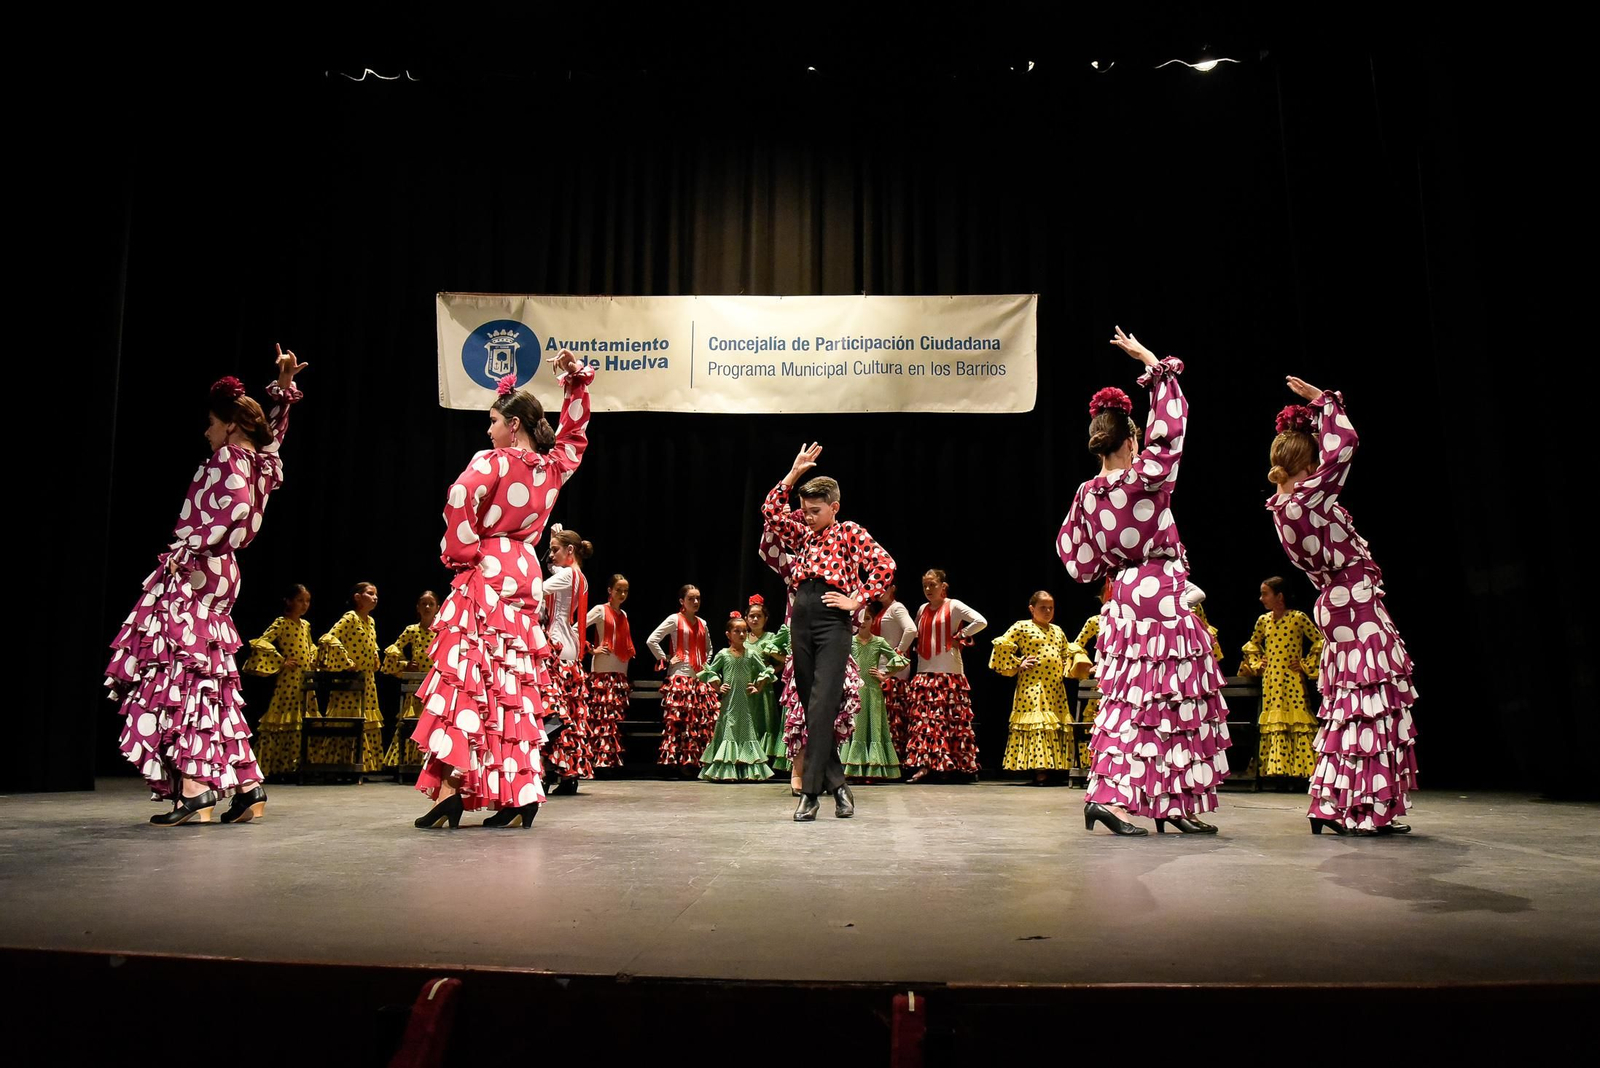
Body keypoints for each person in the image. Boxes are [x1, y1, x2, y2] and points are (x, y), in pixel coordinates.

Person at [106, 345, 306, 825]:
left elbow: (234, 510)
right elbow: (273, 438)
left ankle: (195, 788)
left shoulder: (229, 462)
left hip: (200, 569)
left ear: (230, 424)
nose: (206, 430)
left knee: (184, 677)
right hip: (221, 572)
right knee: (211, 679)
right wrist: (279, 391)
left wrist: (193, 545)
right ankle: (247, 785)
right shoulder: (259, 461)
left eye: (212, 423)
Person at [408, 350, 593, 830]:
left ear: (513, 425)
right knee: (510, 686)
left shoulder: (491, 461)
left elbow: (458, 497)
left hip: (488, 569)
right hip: (525, 572)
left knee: (469, 682)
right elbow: (574, 435)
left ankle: (451, 790)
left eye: (492, 421)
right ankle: (519, 794)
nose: (487, 429)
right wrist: (575, 385)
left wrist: (462, 551)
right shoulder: (552, 468)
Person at [1057, 327, 1230, 836]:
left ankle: (1150, 802)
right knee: (1168, 699)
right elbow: (1171, 428)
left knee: (1131, 700)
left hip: (1122, 599)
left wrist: (1113, 561)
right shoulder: (1147, 476)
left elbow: (1077, 561)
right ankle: (1137, 801)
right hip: (1161, 592)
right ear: (1130, 438)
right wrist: (1154, 364)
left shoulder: (1087, 494)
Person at [1267, 385, 1417, 835]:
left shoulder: (1281, 506)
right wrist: (1326, 402)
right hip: (1352, 601)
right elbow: (1347, 445)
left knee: (1348, 706)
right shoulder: (1306, 499)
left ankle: (1330, 805)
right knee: (1369, 703)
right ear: (1310, 468)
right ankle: (1367, 809)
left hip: (1335, 603)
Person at [761, 443, 896, 821]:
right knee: (810, 706)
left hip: (832, 622)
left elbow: (886, 566)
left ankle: (810, 793)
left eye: (815, 511)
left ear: (834, 508)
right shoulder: (803, 535)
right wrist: (793, 474)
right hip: (800, 618)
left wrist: (858, 601)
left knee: (822, 704)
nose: (807, 518)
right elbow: (770, 511)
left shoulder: (849, 532)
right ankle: (838, 784)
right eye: (804, 511)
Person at [902, 570, 986, 783]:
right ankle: (925, 767)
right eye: (925, 586)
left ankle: (950, 766)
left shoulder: (954, 605)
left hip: (948, 671)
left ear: (943, 586)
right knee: (925, 723)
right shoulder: (922, 609)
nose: (928, 590)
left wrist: (962, 635)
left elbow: (980, 621)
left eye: (932, 585)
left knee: (949, 721)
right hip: (924, 670)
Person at [1237, 576, 1323, 783]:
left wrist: (1305, 665)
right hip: (1271, 680)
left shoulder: (1298, 617)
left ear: (1280, 596)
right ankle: (1274, 769)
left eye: (1265, 594)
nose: (1261, 598)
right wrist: (1258, 664)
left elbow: (1319, 640)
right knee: (1273, 721)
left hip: (1292, 679)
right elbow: (1252, 645)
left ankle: (1300, 770)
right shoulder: (1263, 620)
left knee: (1296, 720)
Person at [990, 591, 1074, 785]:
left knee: (1053, 724)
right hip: (1033, 685)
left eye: (1050, 607)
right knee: (1037, 724)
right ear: (1032, 609)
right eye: (1042, 607)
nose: (1047, 611)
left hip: (1055, 687)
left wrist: (1069, 666)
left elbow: (1066, 652)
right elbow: (1002, 644)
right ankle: (1040, 770)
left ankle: (1054, 766)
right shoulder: (1023, 626)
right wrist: (1018, 662)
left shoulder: (1057, 630)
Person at [242, 583, 319, 778]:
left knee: (303, 720)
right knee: (283, 720)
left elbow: (310, 646)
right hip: (288, 681)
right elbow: (261, 642)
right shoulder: (281, 623)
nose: (304, 604)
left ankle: (299, 765)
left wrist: (314, 659)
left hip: (305, 679)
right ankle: (275, 766)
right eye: (300, 600)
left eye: (307, 601)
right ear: (289, 601)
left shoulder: (306, 625)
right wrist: (280, 661)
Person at [697, 612, 777, 781]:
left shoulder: (751, 654)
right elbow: (709, 671)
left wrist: (758, 686)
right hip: (730, 702)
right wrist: (718, 687)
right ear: (728, 634)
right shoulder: (724, 654)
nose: (741, 634)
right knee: (729, 730)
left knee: (747, 731)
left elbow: (766, 671)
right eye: (737, 631)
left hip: (747, 703)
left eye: (744, 631)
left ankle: (748, 770)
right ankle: (727, 770)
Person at [315, 582, 386, 774]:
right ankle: (338, 765)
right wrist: (346, 662)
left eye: (376, 594)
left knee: (366, 720)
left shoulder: (370, 622)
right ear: (357, 597)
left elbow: (372, 646)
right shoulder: (350, 618)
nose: (375, 597)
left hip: (367, 681)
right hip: (350, 682)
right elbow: (329, 638)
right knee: (347, 720)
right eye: (370, 594)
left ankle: (362, 765)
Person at [647, 585, 717, 776]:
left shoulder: (703, 622)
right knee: (680, 722)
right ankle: (675, 762)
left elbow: (710, 648)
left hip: (699, 678)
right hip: (680, 676)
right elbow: (652, 640)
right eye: (691, 599)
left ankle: (693, 762)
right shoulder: (674, 619)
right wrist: (667, 658)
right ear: (682, 601)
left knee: (697, 723)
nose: (695, 602)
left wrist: (705, 665)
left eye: (698, 599)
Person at [379, 590, 439, 769]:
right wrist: (405, 664)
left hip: (436, 688)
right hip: (415, 688)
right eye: (423, 603)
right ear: (418, 608)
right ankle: (409, 762)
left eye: (431, 604)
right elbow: (392, 653)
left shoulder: (443, 631)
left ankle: (431, 764)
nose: (427, 607)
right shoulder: (412, 630)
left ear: (437, 608)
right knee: (412, 724)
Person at [584, 573, 634, 770]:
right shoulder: (600, 610)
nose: (622, 594)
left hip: (620, 669)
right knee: (601, 715)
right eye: (618, 590)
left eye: (625, 591)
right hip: (603, 669)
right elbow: (577, 628)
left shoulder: (624, 615)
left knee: (613, 718)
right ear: (609, 591)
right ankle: (596, 760)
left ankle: (609, 760)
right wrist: (591, 648)